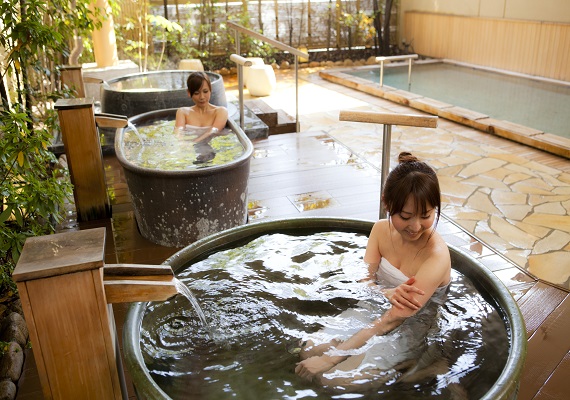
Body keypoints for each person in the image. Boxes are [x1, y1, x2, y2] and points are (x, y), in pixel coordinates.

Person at [294, 151, 451, 389]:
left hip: (409, 326)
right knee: (308, 350)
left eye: (426, 215)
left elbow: (392, 320)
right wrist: (385, 293)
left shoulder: (436, 257)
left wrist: (331, 358)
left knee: (335, 380)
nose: (415, 226)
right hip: (372, 307)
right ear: (387, 203)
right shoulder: (379, 230)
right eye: (405, 216)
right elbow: (365, 280)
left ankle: (424, 366)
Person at [175, 71, 228, 143]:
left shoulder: (221, 111)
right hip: (187, 149)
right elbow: (178, 133)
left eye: (205, 91)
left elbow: (213, 131)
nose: (202, 97)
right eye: (196, 93)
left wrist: (192, 143)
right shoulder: (183, 112)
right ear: (189, 93)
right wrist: (181, 145)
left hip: (210, 148)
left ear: (210, 89)